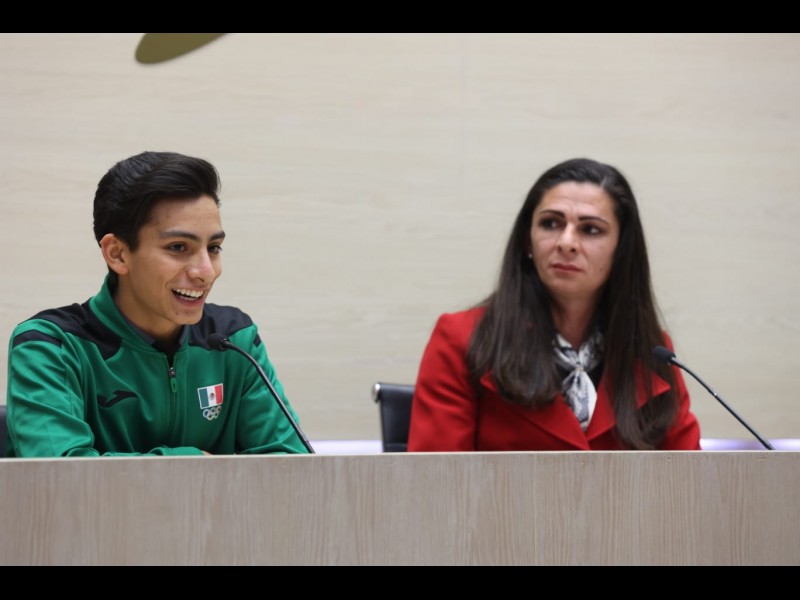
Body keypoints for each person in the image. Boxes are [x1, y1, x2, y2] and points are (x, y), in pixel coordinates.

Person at [5, 151, 311, 457]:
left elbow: (291, 466)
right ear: (117, 254)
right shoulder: (51, 346)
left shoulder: (234, 340)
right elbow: (60, 475)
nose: (206, 272)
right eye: (178, 247)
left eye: (214, 247)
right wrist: (194, 463)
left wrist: (203, 472)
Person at [407, 157, 701, 451]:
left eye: (590, 229)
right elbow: (438, 476)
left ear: (621, 249)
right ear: (527, 239)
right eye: (550, 224)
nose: (566, 242)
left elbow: (688, 475)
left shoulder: (652, 352)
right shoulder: (461, 340)